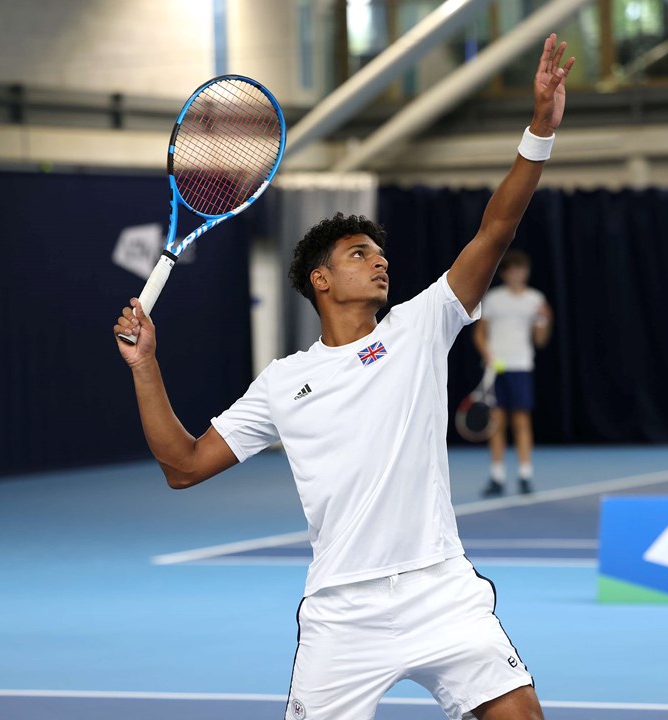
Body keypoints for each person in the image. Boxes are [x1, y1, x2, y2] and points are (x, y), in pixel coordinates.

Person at [114, 34, 574, 720]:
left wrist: (539, 128)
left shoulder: (420, 328)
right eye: (361, 254)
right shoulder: (282, 382)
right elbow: (182, 465)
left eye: (381, 254)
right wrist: (146, 366)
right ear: (321, 280)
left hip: (439, 590)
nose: (380, 263)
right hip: (342, 612)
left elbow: (495, 229)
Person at [473, 249, 553, 497]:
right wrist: (487, 353)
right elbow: (479, 333)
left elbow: (540, 340)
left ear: (526, 273)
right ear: (505, 274)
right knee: (496, 424)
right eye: (512, 270)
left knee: (521, 422)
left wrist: (545, 321)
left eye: (521, 270)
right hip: (496, 369)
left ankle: (525, 476)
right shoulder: (493, 299)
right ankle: (497, 477)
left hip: (521, 367)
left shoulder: (535, 300)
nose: (517, 274)